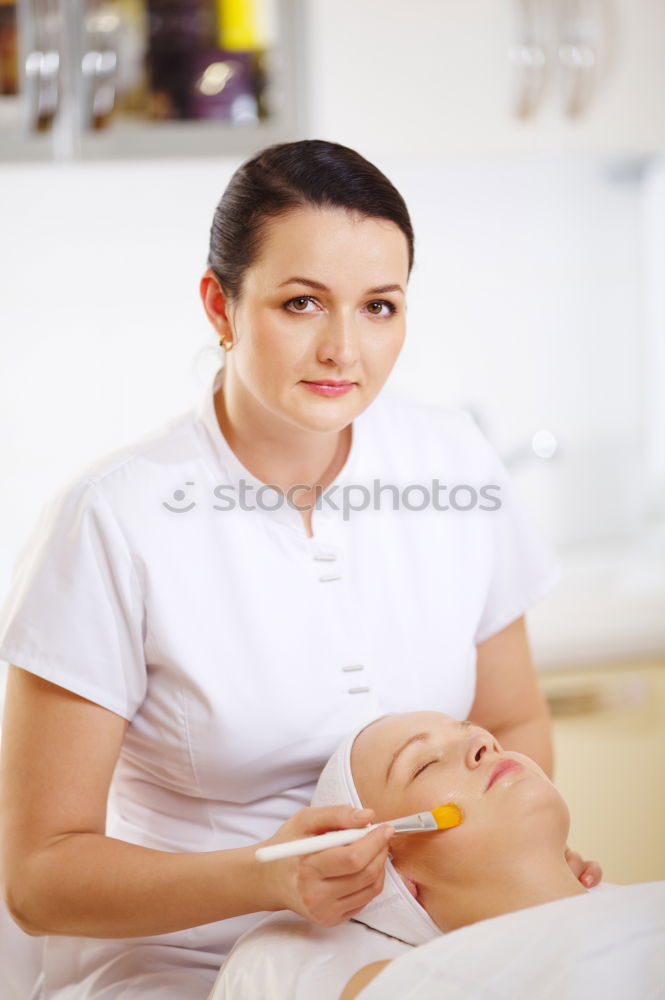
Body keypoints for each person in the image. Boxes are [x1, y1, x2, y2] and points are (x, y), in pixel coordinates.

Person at [0, 139, 597, 1000]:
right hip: (186, 960)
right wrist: (269, 878)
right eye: (302, 302)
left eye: (379, 307)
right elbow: (38, 878)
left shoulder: (452, 460)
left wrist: (509, 867)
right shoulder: (113, 518)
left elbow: (511, 721)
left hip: (429, 938)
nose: (343, 351)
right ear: (221, 305)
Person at [213, 712, 663, 1000]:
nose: (484, 745)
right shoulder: (411, 985)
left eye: (480, 735)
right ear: (396, 882)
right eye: (424, 764)